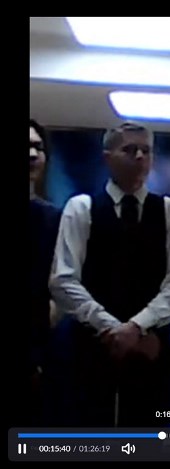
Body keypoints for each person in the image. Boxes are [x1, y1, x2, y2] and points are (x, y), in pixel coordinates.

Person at [50, 121, 170, 427]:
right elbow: (63, 280)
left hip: (152, 347)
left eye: (146, 151)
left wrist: (136, 328)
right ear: (107, 157)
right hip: (90, 347)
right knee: (86, 428)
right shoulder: (81, 208)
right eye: (129, 150)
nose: (139, 156)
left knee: (158, 423)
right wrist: (112, 328)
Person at [16, 119, 62, 427]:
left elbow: (61, 286)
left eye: (38, 148)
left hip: (36, 358)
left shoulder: (53, 219)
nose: (33, 155)